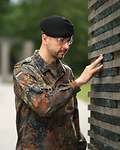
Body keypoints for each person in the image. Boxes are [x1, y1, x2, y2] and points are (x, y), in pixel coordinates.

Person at [13, 15, 103, 149]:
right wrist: (76, 83)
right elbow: (43, 106)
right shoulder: (24, 70)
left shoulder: (67, 72)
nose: (66, 46)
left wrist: (79, 142)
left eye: (69, 41)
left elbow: (73, 114)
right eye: (61, 40)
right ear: (45, 38)